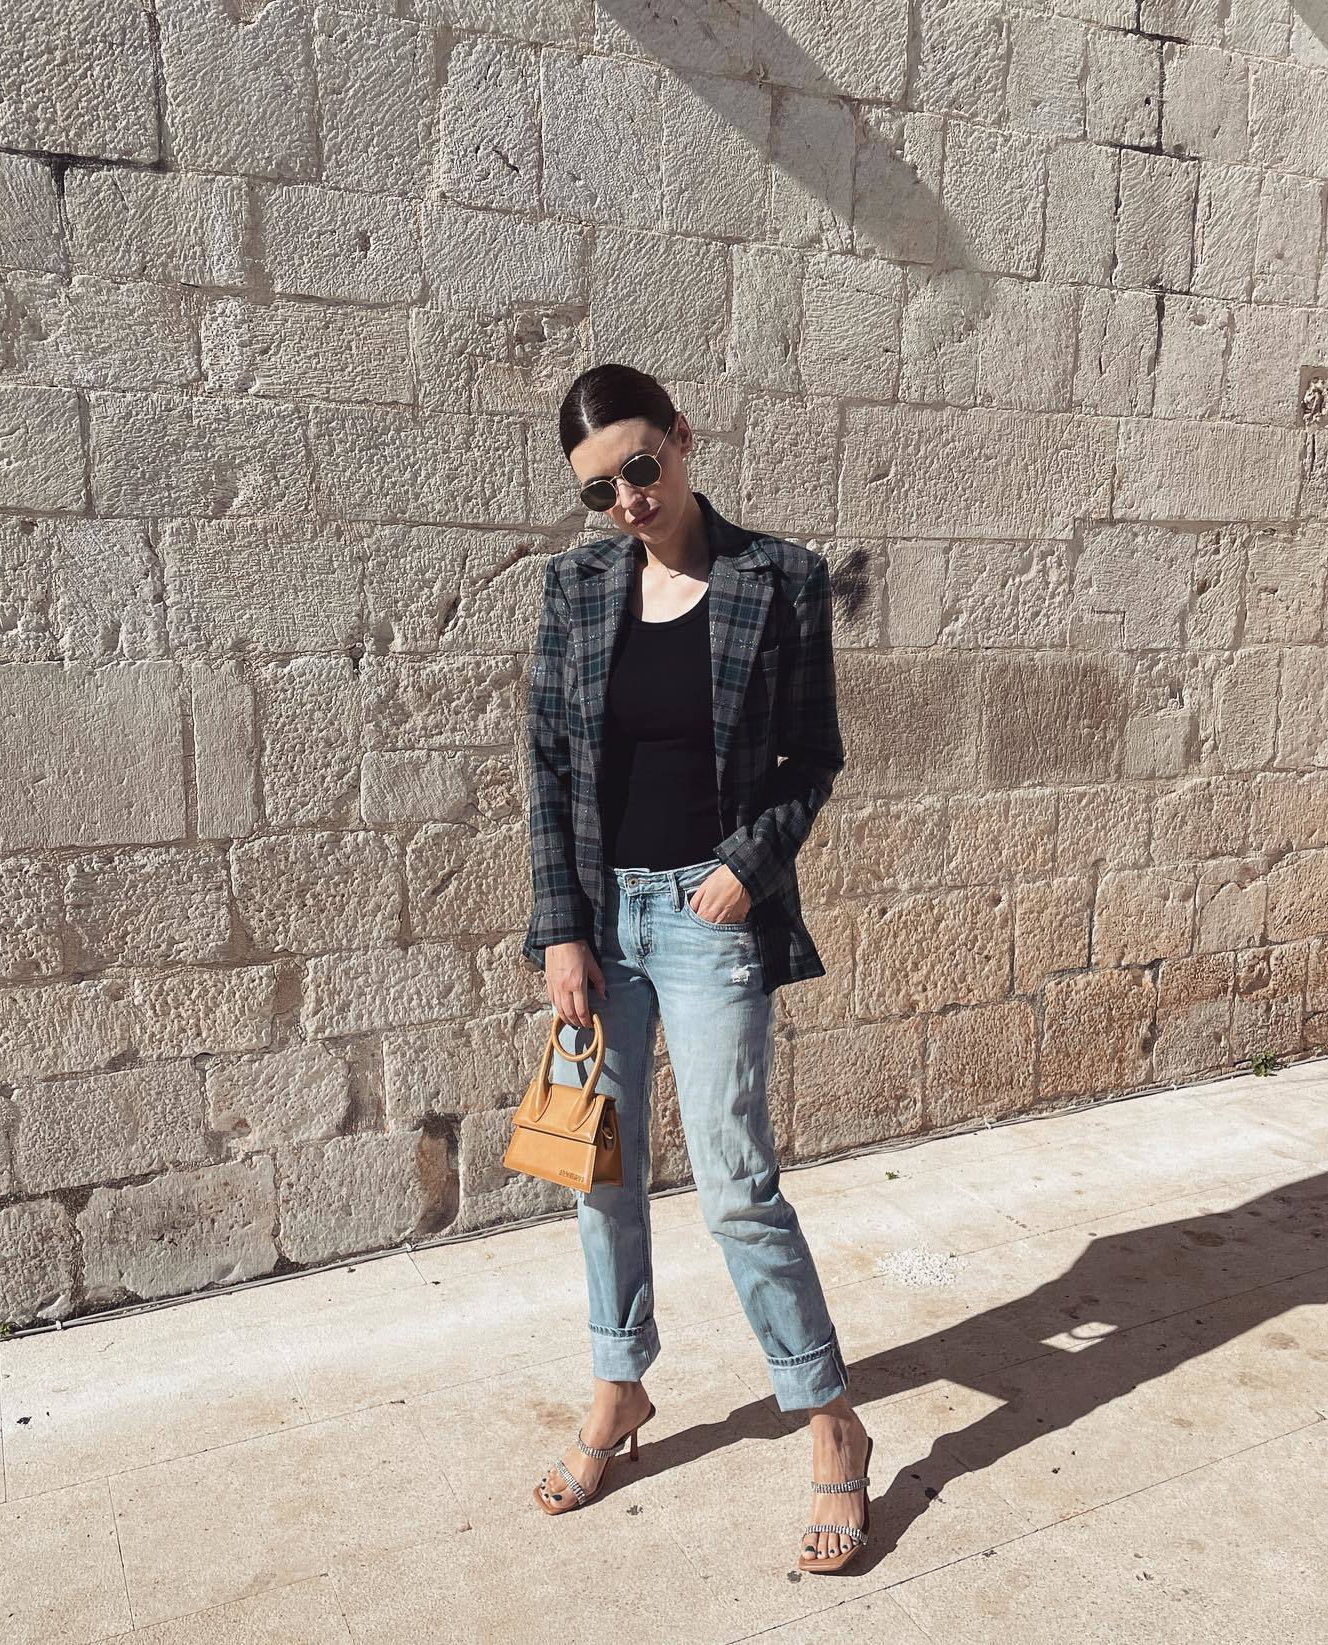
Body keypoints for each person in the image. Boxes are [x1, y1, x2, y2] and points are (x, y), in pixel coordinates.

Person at [520, 362, 872, 1573]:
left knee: (735, 1184)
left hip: (709, 916)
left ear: (681, 437)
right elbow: (548, 768)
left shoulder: (779, 579)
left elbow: (811, 759)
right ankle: (619, 1385)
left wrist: (746, 865)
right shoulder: (575, 589)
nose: (627, 498)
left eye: (640, 466)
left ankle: (830, 1418)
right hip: (601, 921)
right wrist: (560, 928)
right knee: (598, 1171)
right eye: (599, 488)